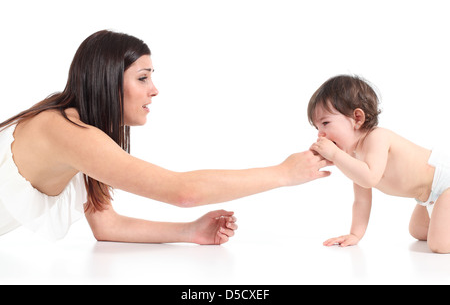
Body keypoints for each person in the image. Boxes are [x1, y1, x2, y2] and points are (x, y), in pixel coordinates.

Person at [0, 30, 330, 244]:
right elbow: (183, 191)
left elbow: (107, 226)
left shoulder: (80, 132)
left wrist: (189, 231)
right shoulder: (64, 131)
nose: (154, 90)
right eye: (142, 78)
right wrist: (284, 173)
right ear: (108, 81)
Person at [308, 74, 450, 254]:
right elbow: (361, 200)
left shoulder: (377, 137)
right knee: (418, 231)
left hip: (445, 182)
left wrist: (336, 155)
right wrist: (355, 234)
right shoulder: (356, 158)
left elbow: (370, 178)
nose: (321, 134)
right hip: (429, 196)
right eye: (317, 128)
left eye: (325, 123)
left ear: (357, 118)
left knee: (439, 245)